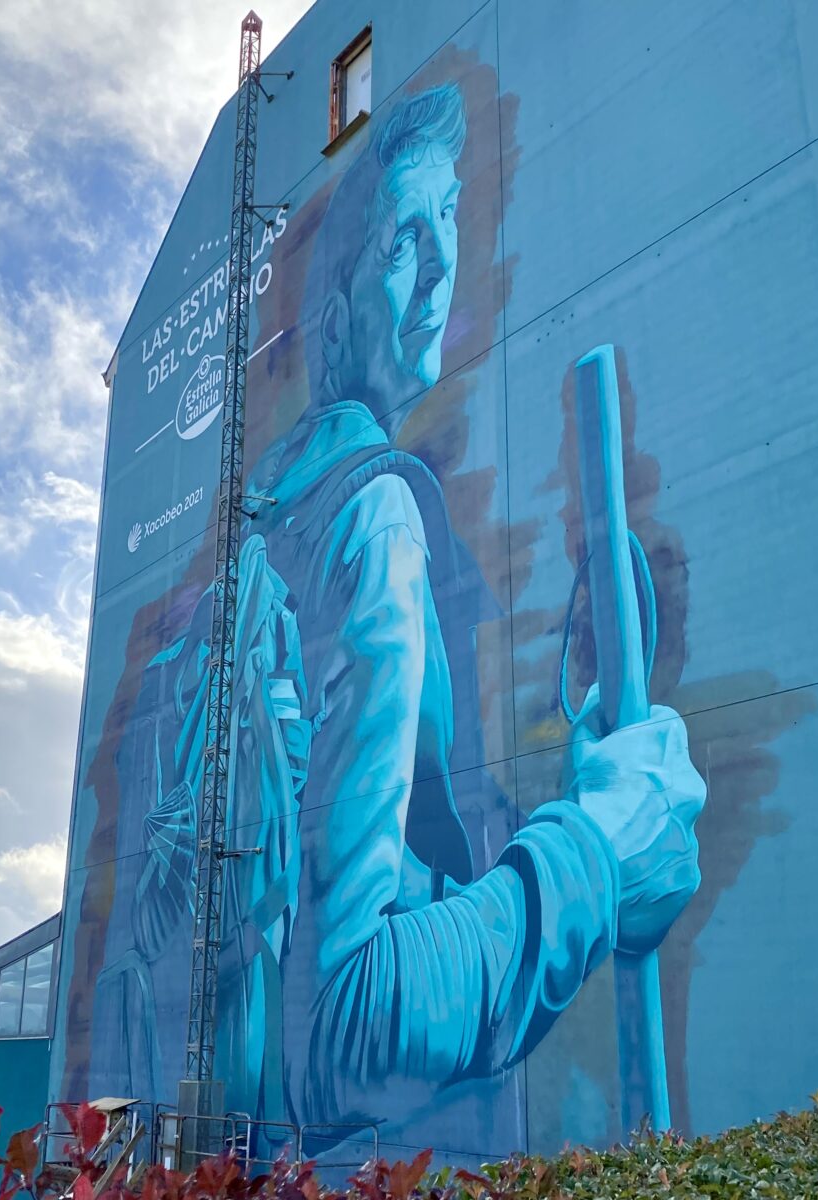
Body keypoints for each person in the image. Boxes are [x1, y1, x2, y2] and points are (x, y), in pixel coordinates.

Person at [224, 81, 707, 1131]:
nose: (445, 260)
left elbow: (349, 894)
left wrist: (566, 826)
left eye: (448, 217)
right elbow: (344, 1027)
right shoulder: (375, 523)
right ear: (339, 321)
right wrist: (597, 857)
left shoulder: (270, 527)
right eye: (406, 238)